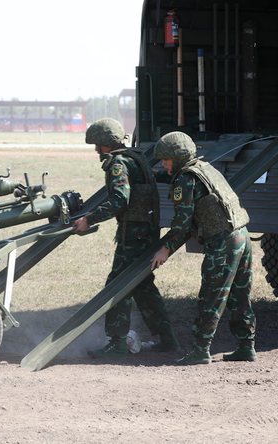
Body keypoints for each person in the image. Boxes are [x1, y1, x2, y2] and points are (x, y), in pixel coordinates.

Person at [73, 118, 179, 358]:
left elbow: (120, 200)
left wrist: (89, 219)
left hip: (134, 234)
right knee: (143, 286)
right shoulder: (136, 156)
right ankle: (167, 339)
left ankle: (117, 343)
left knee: (117, 285)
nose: (96, 150)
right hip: (147, 231)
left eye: (97, 145)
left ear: (104, 143)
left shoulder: (118, 163)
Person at [150, 131, 256, 365]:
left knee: (212, 295)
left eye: (166, 159)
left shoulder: (184, 179)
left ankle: (201, 350)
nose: (163, 163)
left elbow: (182, 223)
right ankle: (246, 347)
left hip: (223, 243)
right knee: (240, 295)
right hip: (241, 235)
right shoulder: (205, 168)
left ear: (177, 157)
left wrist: (165, 249)